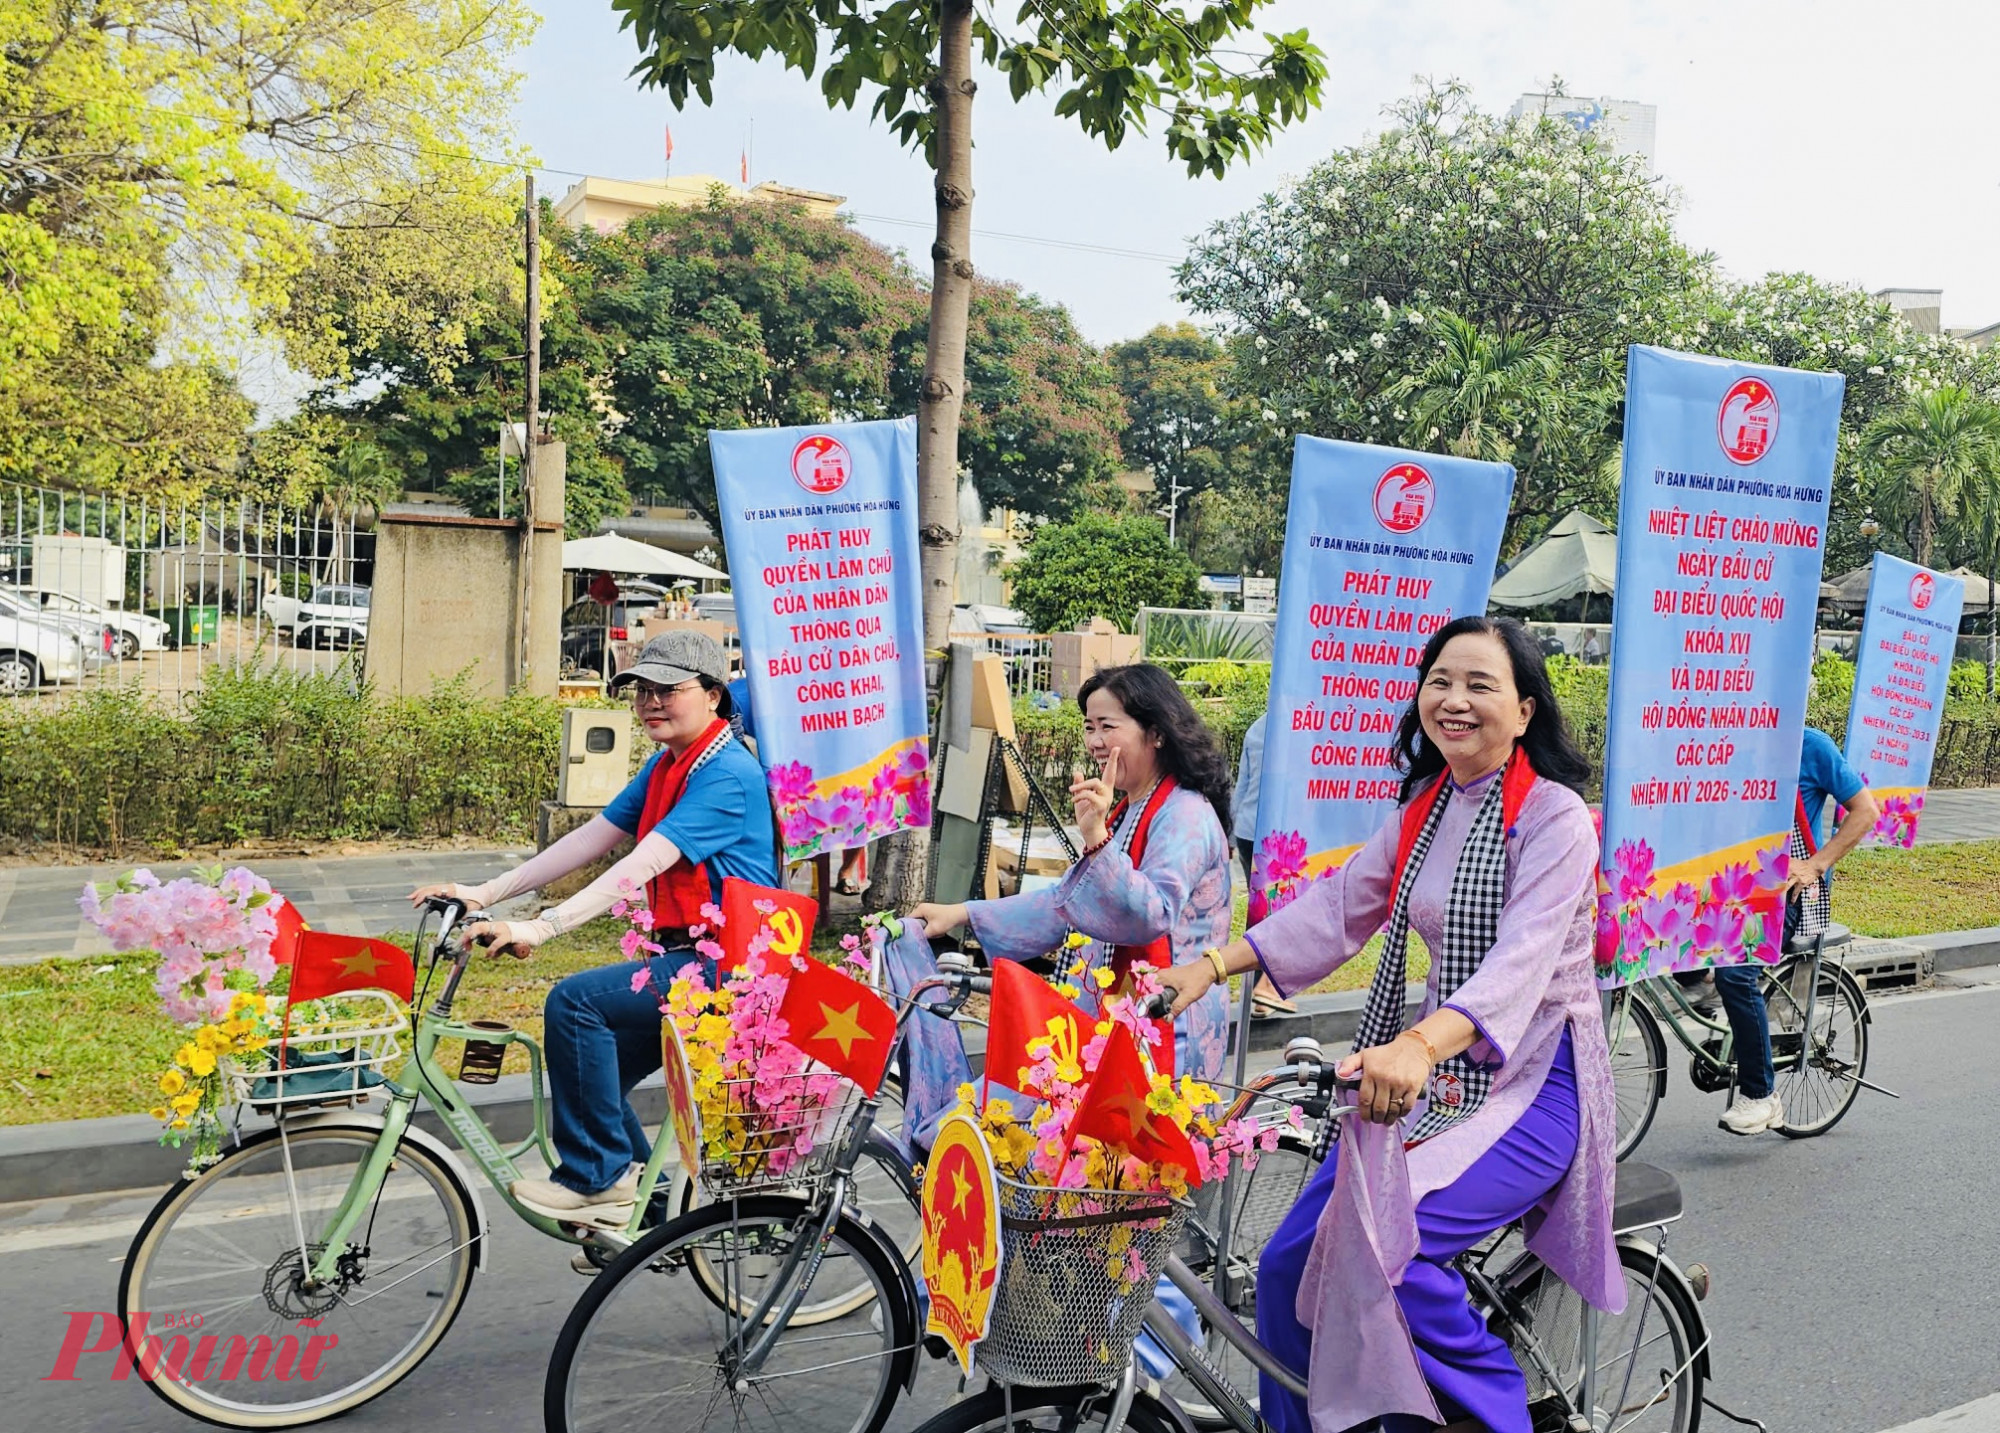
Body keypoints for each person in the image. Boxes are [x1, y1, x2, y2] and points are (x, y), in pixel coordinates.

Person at [1155, 616, 1621, 1433]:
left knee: (1384, 1255)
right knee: (1283, 1266)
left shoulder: (1557, 821)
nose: (1455, 699)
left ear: (1524, 711)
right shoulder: (1427, 807)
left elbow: (1522, 961)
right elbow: (1342, 904)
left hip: (1535, 1087)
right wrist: (1214, 965)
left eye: (1481, 685)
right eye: (1441, 680)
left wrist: (1414, 1042)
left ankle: (1493, 1413)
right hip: (1439, 1081)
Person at [411, 631, 778, 1227]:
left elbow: (640, 865)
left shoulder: (726, 774)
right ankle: (651, 1213)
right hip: (689, 958)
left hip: (731, 966)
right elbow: (589, 840)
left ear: (714, 695)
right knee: (593, 1073)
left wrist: (543, 928)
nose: (652, 703)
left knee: (576, 1006)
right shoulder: (671, 765)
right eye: (643, 692)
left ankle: (599, 1179)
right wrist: (483, 892)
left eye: (670, 690)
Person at [910, 662, 1237, 1081]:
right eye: (1088, 727)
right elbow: (1068, 901)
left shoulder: (1184, 813)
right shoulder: (1131, 808)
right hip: (1128, 1013)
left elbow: (1151, 915)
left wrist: (1098, 837)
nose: (1095, 742)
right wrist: (961, 914)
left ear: (1156, 732)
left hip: (1169, 1021)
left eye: (1107, 726)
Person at [1707, 726, 1879, 1136]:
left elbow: (1866, 811)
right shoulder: (1726, 739)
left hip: (1786, 893)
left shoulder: (1811, 746)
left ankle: (1761, 1095)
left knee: (1737, 974)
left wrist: (1815, 865)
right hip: (1734, 883)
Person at [1230, 711, 1296, 1016]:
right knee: (1280, 915)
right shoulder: (1300, 726)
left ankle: (1260, 992)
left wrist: (1230, 834)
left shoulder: (1257, 726)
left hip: (1247, 829)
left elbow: (1241, 785)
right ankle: (1266, 990)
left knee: (1263, 913)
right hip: (1277, 835)